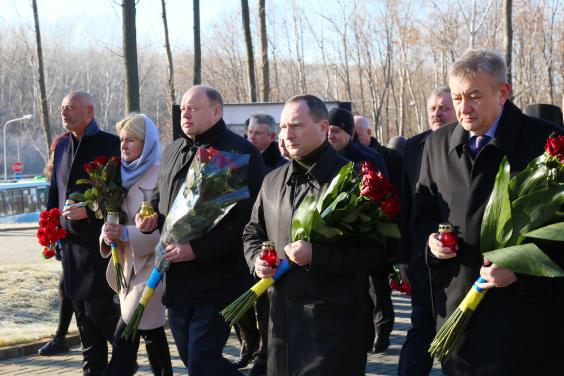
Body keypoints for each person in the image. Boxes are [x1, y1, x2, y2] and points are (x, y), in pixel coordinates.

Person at [416, 49, 563, 375]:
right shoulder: (437, 144)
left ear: (503, 93)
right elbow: (423, 211)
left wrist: (521, 270)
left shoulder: (547, 142)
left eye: (474, 97)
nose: (463, 108)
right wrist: (432, 241)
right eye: (456, 98)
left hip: (524, 321)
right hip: (457, 313)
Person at [243, 95, 387, 375]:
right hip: (280, 327)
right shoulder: (273, 180)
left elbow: (374, 250)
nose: (288, 134)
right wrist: (257, 260)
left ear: (323, 128)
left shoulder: (352, 180)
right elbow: (253, 231)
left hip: (332, 329)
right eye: (284, 127)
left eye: (297, 125)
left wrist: (315, 255)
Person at [136, 85, 265, 375]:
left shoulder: (238, 153)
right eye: (183, 108)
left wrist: (196, 250)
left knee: (202, 361)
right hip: (177, 278)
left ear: (216, 111)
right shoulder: (173, 150)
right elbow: (158, 197)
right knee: (191, 358)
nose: (186, 114)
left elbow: (248, 219)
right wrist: (148, 217)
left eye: (193, 108)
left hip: (219, 278)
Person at [47, 91, 120, 375]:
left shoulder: (110, 144)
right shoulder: (63, 145)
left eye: (70, 108)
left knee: (98, 309)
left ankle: (126, 355)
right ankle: (93, 369)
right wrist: (50, 227)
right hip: (68, 243)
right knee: (82, 315)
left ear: (89, 112)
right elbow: (55, 190)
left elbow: (119, 196)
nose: (64, 113)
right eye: (62, 108)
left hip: (98, 243)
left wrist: (89, 211)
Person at [101, 114, 172, 376]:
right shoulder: (115, 174)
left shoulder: (162, 175)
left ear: (148, 143)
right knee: (152, 334)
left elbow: (169, 228)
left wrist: (128, 233)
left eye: (131, 140)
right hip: (127, 268)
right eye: (121, 140)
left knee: (125, 333)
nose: (124, 145)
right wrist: (107, 234)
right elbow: (111, 216)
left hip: (153, 265)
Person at [397, 86, 456, 375]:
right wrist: (404, 256)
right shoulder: (413, 145)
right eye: (433, 108)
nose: (437, 113)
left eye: (444, 107)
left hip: (461, 257)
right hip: (422, 256)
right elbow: (406, 204)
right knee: (420, 327)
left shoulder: (468, 144)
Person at [233, 113, 288, 375]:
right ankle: (249, 343)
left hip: (268, 244)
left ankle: (264, 355)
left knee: (264, 305)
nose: (252, 137)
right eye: (250, 132)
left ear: (272, 136)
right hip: (240, 242)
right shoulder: (237, 161)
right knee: (238, 301)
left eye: (258, 133)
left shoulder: (278, 166)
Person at [353, 115, 403, 353]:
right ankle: (368, 331)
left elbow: (397, 195)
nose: (353, 137)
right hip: (357, 236)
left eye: (357, 133)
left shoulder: (389, 157)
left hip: (382, 233)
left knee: (379, 288)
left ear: (369, 132)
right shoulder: (344, 157)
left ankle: (382, 331)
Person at [38, 133, 75, 357]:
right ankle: (60, 337)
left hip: (80, 242)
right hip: (65, 242)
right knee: (68, 289)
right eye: (53, 153)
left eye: (56, 152)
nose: (54, 156)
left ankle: (61, 338)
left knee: (69, 289)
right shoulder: (55, 176)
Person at [327, 108, 388, 177]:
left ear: (351, 133)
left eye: (335, 131)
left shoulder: (370, 160)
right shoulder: (322, 157)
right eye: (326, 130)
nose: (329, 136)